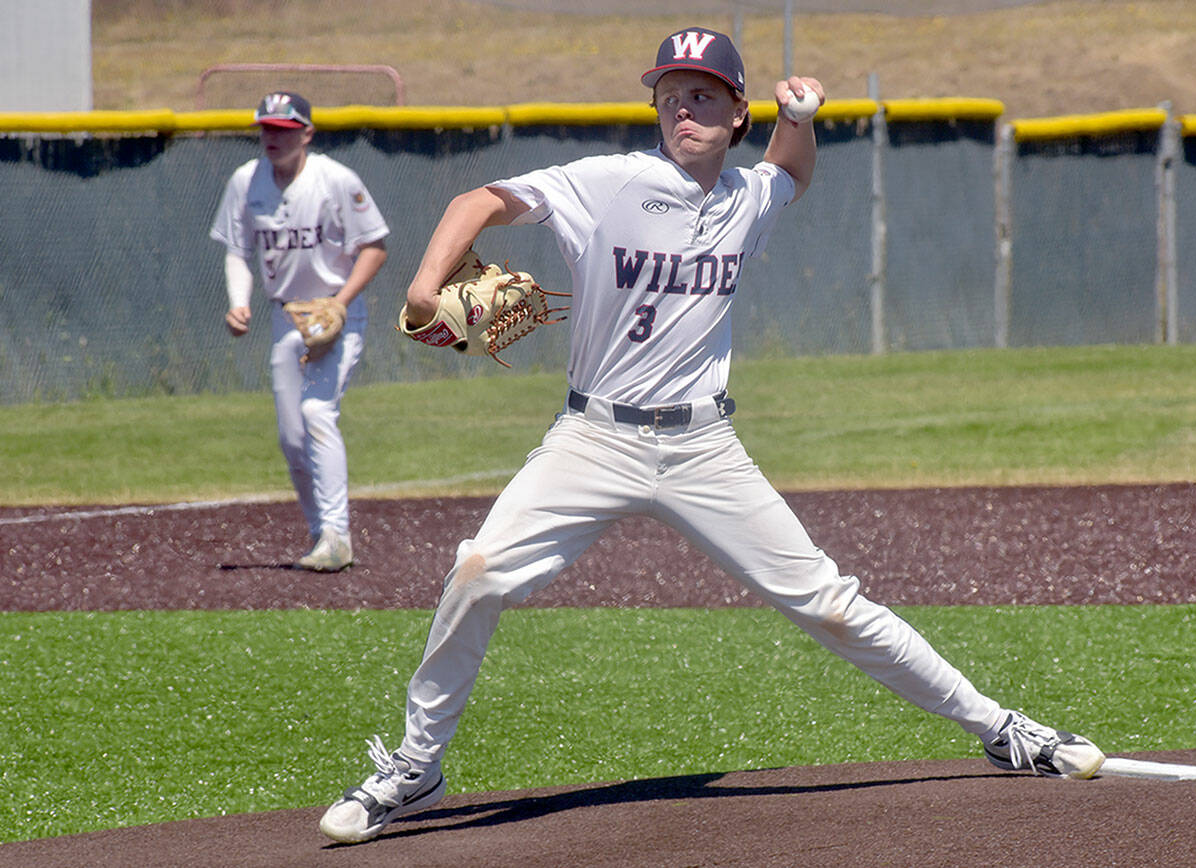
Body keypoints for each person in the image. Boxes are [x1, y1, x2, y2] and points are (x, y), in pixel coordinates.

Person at [319, 27, 1105, 844]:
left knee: (830, 603)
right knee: (477, 570)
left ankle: (1001, 728)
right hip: (593, 439)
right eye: (669, 96)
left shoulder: (745, 197)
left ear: (736, 114)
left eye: (702, 96)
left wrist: (796, 117)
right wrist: (421, 285)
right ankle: (415, 768)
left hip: (702, 448)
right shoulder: (610, 183)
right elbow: (476, 202)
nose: (682, 110)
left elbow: (788, 173)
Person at [209, 91, 389, 572]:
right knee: (291, 437)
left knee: (316, 411)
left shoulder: (334, 180)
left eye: (284, 129)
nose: (272, 137)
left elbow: (374, 246)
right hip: (283, 316)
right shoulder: (245, 182)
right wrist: (239, 303)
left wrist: (340, 302)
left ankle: (337, 534)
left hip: (337, 314)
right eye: (266, 127)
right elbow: (236, 251)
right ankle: (319, 535)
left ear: (306, 133)